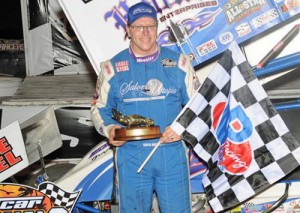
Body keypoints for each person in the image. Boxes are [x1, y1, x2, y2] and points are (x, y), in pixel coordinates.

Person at [91, 2, 200, 213]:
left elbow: (198, 106)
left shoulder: (180, 63)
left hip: (170, 153)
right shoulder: (111, 68)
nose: (145, 32)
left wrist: (182, 128)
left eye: (150, 26)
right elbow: (99, 108)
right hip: (131, 156)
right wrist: (110, 130)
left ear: (157, 29)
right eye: (139, 27)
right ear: (128, 30)